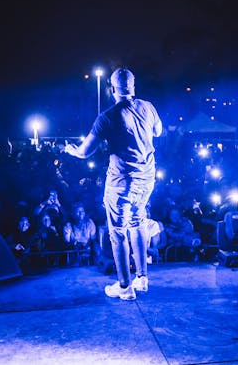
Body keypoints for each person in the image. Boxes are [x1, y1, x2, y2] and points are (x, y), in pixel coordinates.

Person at [64, 67, 162, 300]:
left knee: (118, 233)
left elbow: (86, 152)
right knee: (138, 223)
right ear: (133, 85)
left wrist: (72, 150)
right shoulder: (148, 107)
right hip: (146, 178)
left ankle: (125, 286)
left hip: (121, 183)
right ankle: (142, 278)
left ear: (111, 89)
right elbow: (158, 131)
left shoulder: (107, 117)